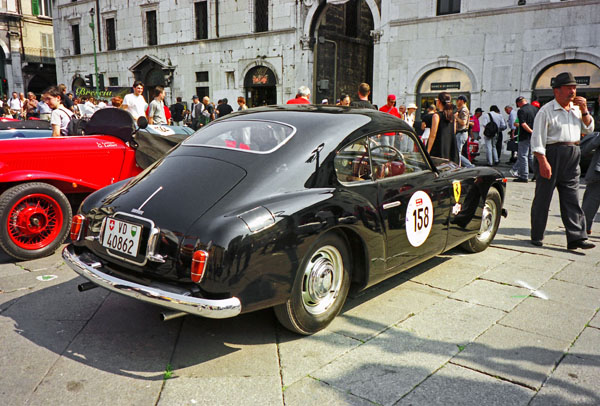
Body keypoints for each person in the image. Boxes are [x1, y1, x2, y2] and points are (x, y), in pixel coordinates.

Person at [530, 72, 595, 250]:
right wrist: (542, 161)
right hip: (551, 154)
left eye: (574, 88)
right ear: (556, 91)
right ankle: (537, 234)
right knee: (543, 198)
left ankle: (577, 238)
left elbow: (589, 129)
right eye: (568, 88)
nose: (572, 91)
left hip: (572, 153)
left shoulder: (576, 110)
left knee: (572, 198)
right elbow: (537, 139)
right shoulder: (546, 111)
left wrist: (584, 111)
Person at [511, 96, 538, 182]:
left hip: (525, 135)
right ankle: (537, 174)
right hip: (533, 136)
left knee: (523, 155)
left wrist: (531, 131)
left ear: (519, 103)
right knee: (530, 156)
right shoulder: (535, 109)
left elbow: (523, 124)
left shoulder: (521, 110)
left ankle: (524, 176)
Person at [427, 91, 459, 163]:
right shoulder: (452, 116)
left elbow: (433, 135)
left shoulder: (436, 116)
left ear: (438, 101)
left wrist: (428, 151)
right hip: (450, 147)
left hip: (438, 147)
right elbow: (453, 131)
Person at [581, 130, 600, 236]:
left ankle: (584, 227)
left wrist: (580, 153)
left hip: (598, 173)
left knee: (591, 202)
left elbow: (591, 145)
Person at [455, 95, 470, 165]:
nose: (457, 102)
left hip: (461, 133)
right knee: (458, 152)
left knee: (458, 153)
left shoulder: (464, 110)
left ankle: (467, 165)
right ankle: (469, 165)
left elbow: (463, 122)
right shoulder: (461, 109)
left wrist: (456, 117)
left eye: (458, 100)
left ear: (462, 101)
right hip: (460, 133)